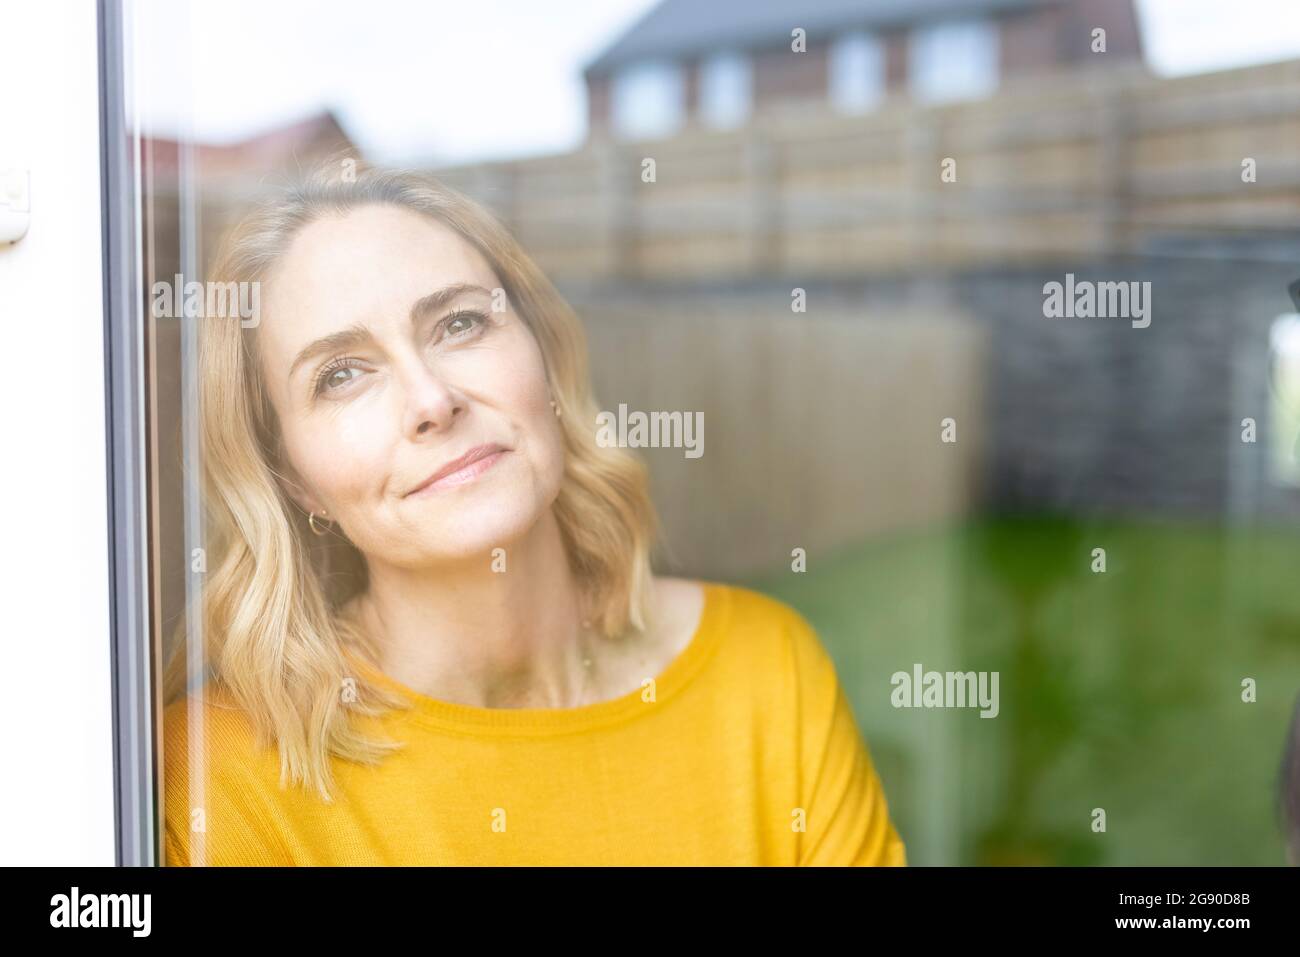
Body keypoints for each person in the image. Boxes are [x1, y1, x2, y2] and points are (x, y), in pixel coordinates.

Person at [161, 157, 906, 866]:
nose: (432, 400)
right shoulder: (225, 776)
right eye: (342, 375)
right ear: (296, 480)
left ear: (543, 355)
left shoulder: (763, 671)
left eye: (458, 324)